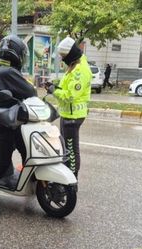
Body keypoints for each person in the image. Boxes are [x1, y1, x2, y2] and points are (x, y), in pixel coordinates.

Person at [0, 35, 37, 216]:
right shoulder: (7, 72)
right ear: (17, 54)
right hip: (2, 125)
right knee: (2, 162)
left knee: (27, 152)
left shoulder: (0, 70)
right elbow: (30, 91)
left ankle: (30, 183)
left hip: (12, 121)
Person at [45, 36, 91, 178]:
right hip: (67, 114)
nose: (62, 59)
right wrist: (55, 85)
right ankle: (68, 174)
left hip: (73, 116)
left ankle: (71, 180)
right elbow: (66, 86)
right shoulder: (74, 64)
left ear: (70, 53)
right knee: (66, 147)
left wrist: (54, 90)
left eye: (64, 56)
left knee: (71, 150)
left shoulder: (80, 70)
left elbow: (70, 95)